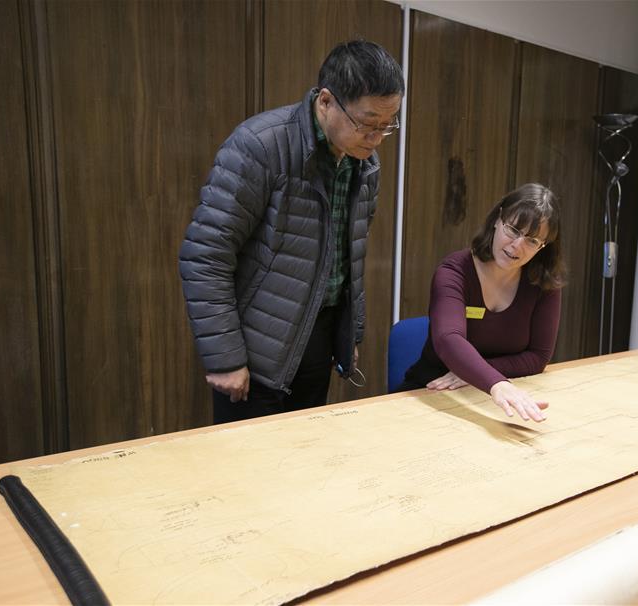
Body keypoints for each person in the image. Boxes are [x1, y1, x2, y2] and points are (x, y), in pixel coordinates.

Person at [179, 40, 404, 424]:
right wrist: (225, 358)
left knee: (305, 453)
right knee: (248, 460)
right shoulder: (260, 145)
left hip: (318, 340)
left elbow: (349, 259)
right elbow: (205, 255)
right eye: (367, 123)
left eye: (388, 125)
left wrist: (348, 336)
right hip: (255, 351)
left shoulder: (365, 165)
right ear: (326, 101)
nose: (377, 138)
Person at [399, 183, 565, 422]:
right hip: (432, 391)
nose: (517, 245)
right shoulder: (454, 271)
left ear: (543, 247)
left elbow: (538, 357)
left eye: (532, 241)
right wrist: (496, 383)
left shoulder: (544, 284)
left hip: (497, 400)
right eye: (513, 230)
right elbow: (448, 339)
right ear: (498, 219)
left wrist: (475, 373)